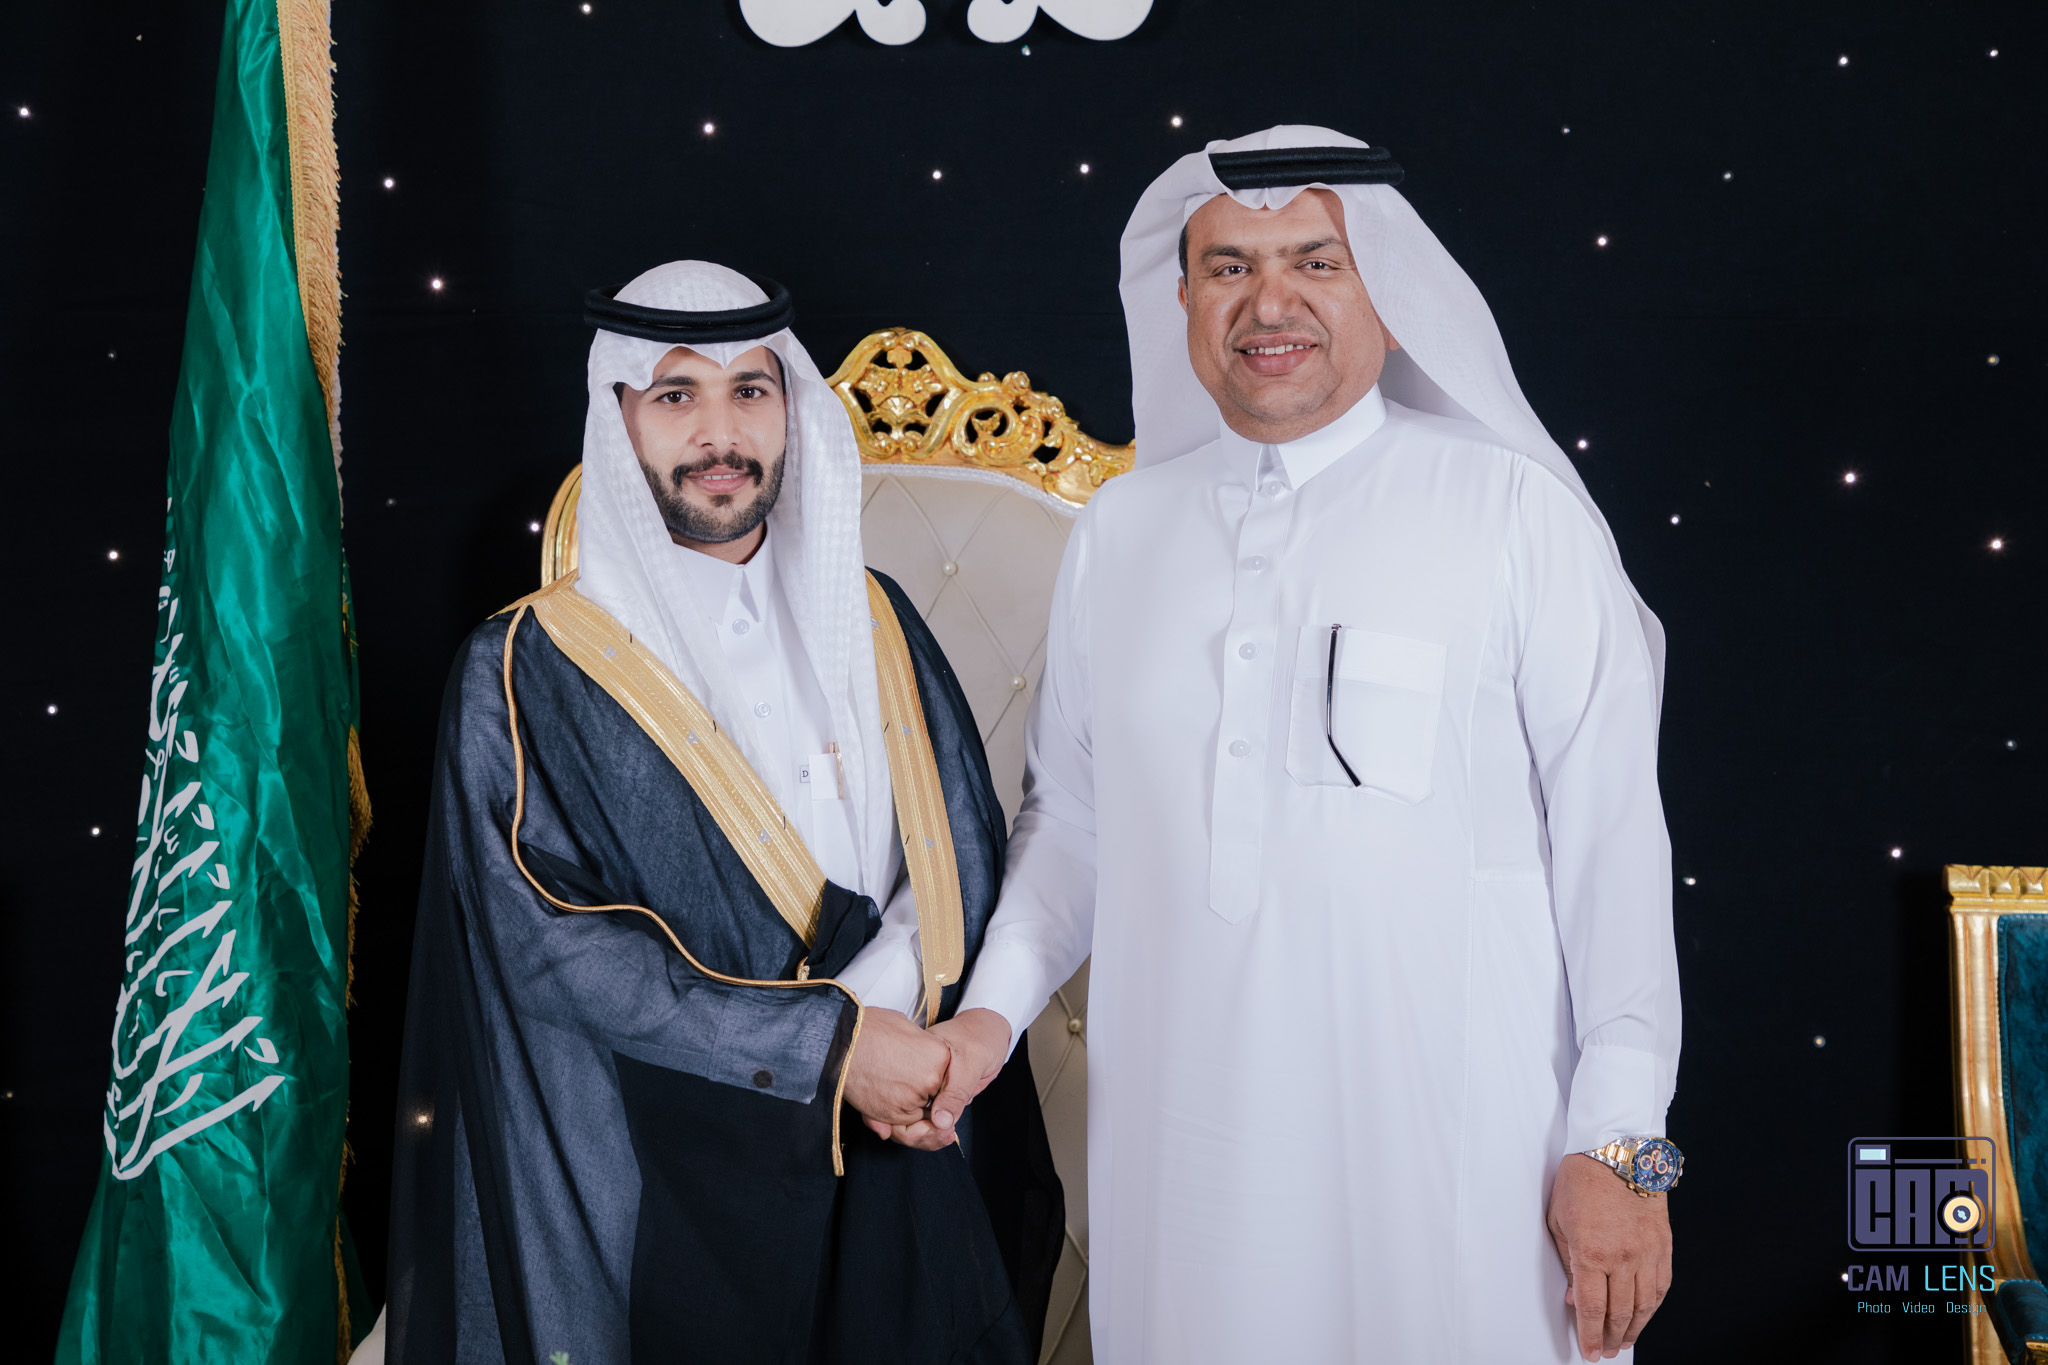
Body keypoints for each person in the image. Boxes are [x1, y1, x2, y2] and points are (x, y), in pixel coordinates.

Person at [930, 127, 1684, 1363]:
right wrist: (987, 1020)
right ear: (1181, 299)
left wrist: (1621, 1148)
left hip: (1463, 1160)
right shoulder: (1123, 530)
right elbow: (1073, 824)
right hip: (1184, 1160)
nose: (1267, 303)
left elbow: (1612, 849)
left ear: (1387, 290)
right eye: (1227, 267)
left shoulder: (1512, 512)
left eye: (1313, 263)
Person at [378, 261, 1062, 1365]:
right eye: (675, 395)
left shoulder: (876, 617)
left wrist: (886, 1050)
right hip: (675, 1164)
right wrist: (825, 1051)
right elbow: (546, 945)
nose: (719, 433)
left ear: (789, 408)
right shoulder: (525, 665)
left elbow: (956, 852)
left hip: (908, 1121)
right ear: (620, 417)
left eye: (750, 389)